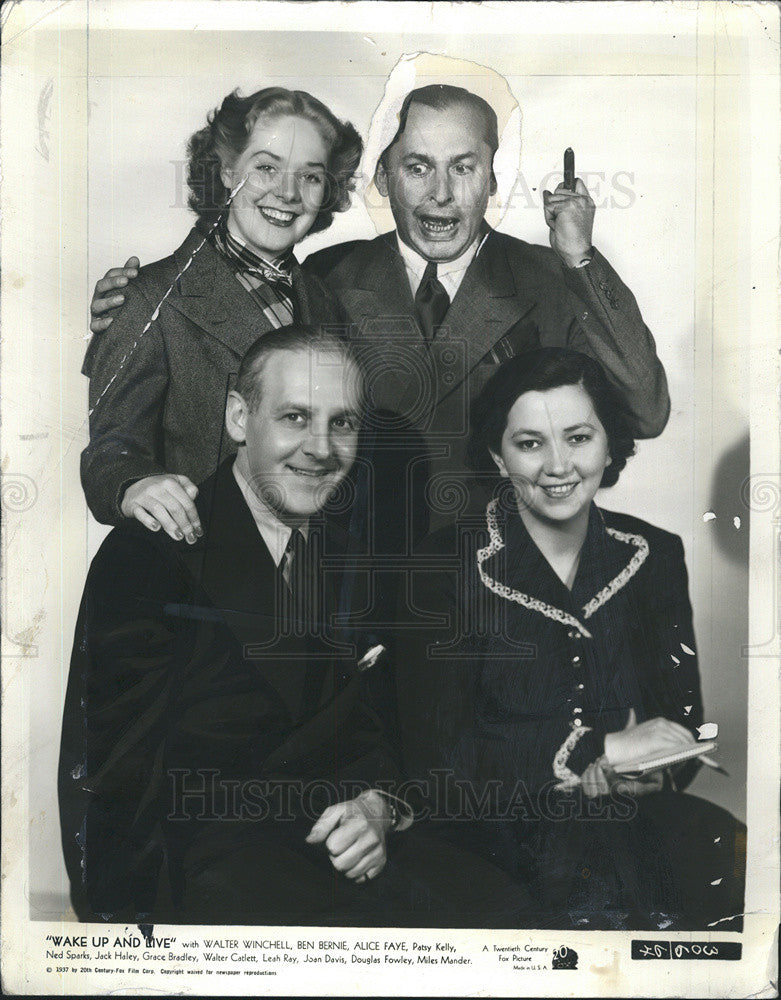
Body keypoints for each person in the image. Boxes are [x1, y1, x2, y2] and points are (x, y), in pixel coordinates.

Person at [58, 326, 539, 927]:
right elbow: (115, 788)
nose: (321, 448)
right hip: (208, 879)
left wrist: (379, 805)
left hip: (350, 848)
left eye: (342, 423)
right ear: (239, 417)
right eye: (294, 417)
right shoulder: (150, 555)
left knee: (511, 911)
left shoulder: (353, 554)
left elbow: (385, 729)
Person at [89, 83, 669, 549]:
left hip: (508, 582)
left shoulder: (552, 278)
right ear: (382, 178)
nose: (440, 193)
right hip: (345, 595)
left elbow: (644, 410)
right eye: (417, 167)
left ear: (493, 178)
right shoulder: (326, 276)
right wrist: (135, 300)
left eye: (463, 168)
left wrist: (581, 260)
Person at [394, 348, 745, 930]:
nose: (558, 466)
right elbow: (436, 764)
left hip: (624, 823)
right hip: (489, 836)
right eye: (530, 443)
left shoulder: (654, 553)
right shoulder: (439, 565)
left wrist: (654, 771)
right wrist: (597, 750)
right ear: (496, 455)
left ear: (610, 446)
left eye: (579, 437)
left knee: (737, 879)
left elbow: (683, 721)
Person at [81, 87, 362, 537]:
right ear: (227, 171)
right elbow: (111, 447)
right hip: (196, 568)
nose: (287, 192)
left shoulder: (327, 304)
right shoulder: (148, 297)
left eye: (310, 177)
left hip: (307, 569)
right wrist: (134, 485)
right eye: (266, 168)